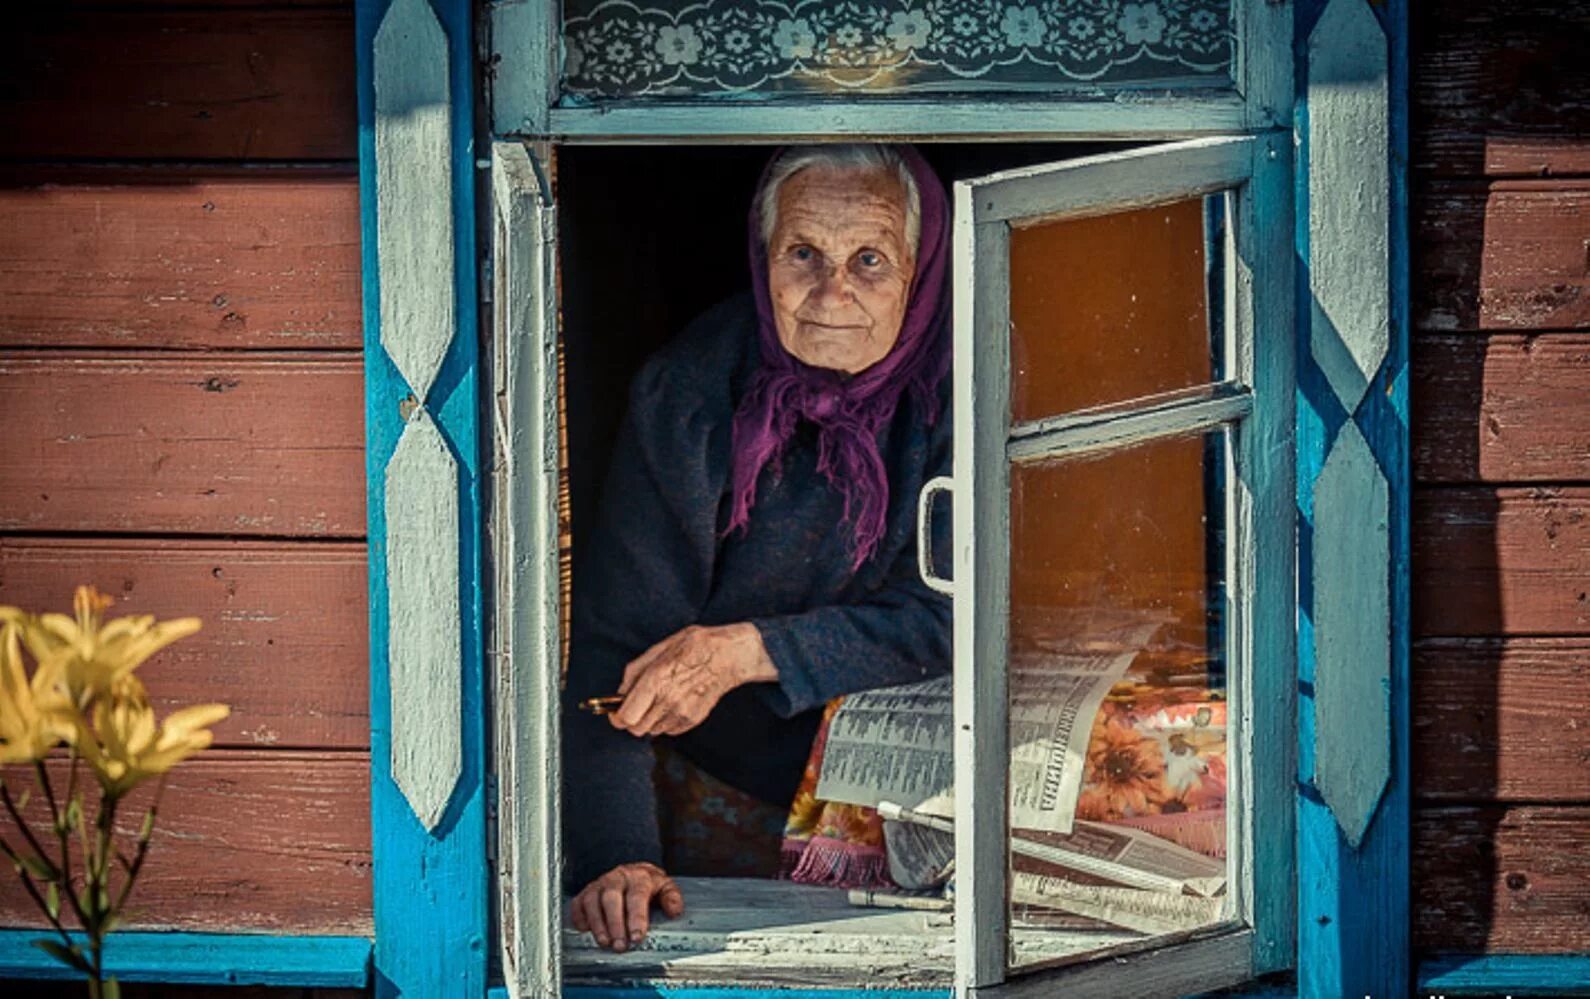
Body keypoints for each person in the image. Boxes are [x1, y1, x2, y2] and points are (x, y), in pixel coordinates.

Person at [563, 144, 953, 952]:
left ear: (920, 267)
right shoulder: (691, 395)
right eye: (802, 253)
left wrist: (748, 651)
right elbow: (617, 652)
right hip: (735, 779)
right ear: (762, 256)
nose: (832, 291)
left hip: (937, 778)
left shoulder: (964, 384)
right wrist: (617, 855)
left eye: (870, 259)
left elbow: (959, 614)